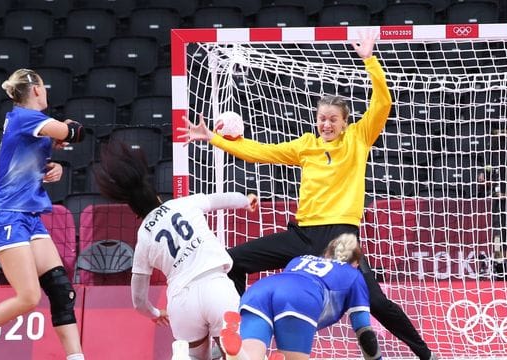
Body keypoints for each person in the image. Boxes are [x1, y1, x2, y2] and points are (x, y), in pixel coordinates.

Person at [179, 31, 437, 360]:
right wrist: (215, 140)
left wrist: (370, 60)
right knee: (232, 262)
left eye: (333, 119)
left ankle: (425, 353)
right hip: (302, 235)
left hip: (340, 238)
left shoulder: (358, 138)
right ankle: (238, 340)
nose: (326, 124)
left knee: (376, 302)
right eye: (322, 118)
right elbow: (261, 152)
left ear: (345, 123)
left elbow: (383, 102)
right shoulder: (306, 146)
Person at [0, 69, 86, 360]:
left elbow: (45, 150)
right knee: (29, 297)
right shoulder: (24, 118)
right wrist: (67, 127)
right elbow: (75, 133)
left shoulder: (30, 124)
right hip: (7, 217)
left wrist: (54, 166)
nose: (46, 92)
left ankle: (76, 357)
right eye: (44, 87)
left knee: (61, 290)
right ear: (36, 90)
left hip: (30, 216)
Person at [93, 141, 259, 360]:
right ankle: (237, 354)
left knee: (197, 355)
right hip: (215, 285)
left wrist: (155, 313)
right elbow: (223, 198)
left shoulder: (143, 237)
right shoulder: (183, 204)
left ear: (136, 213)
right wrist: (245, 201)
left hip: (181, 302)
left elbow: (138, 300)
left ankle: (183, 356)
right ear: (158, 197)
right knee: (232, 350)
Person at [219, 233, 382, 360]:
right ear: (356, 262)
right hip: (300, 296)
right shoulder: (354, 275)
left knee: (251, 353)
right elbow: (365, 334)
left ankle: (238, 353)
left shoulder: (299, 259)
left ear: (326, 252)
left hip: (259, 290)